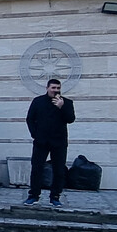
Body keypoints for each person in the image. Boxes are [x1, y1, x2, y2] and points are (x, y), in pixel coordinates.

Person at [25, 78, 75, 207]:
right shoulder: (38, 101)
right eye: (53, 88)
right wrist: (35, 134)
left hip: (59, 142)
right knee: (37, 169)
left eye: (58, 88)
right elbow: (30, 119)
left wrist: (61, 107)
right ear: (47, 88)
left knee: (59, 170)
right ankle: (34, 195)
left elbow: (70, 119)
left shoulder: (67, 102)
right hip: (41, 141)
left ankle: (55, 197)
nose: (56, 90)